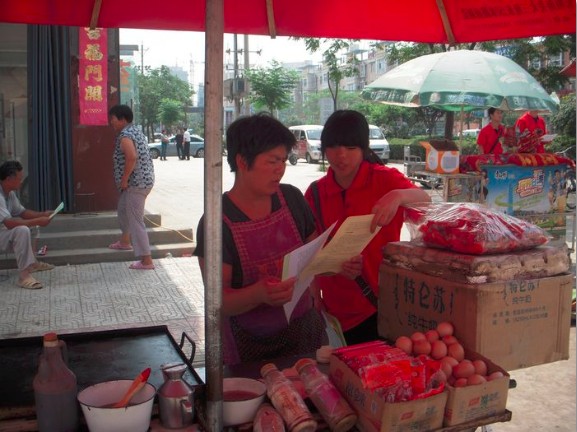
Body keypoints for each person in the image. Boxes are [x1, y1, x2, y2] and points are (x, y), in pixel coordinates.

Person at [194, 113, 333, 365]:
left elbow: (315, 256)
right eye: (272, 161)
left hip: (304, 333)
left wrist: (338, 263)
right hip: (248, 346)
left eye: (282, 160)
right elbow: (218, 301)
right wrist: (258, 294)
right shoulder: (216, 222)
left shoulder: (292, 199)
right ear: (242, 161)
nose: (280, 169)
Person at [304, 110, 431, 346]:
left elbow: (425, 200)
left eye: (351, 148)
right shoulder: (314, 193)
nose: (341, 155)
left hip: (379, 305)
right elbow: (309, 251)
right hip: (334, 311)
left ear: (364, 149)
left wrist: (398, 196)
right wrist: (327, 277)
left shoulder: (384, 179)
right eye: (333, 147)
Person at [108, 104, 155, 270]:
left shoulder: (126, 136)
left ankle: (146, 260)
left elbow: (132, 157)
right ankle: (125, 241)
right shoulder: (135, 131)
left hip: (136, 184)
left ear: (122, 119)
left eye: (112, 119)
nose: (111, 122)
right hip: (140, 183)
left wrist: (124, 179)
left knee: (136, 221)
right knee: (122, 210)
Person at [0, 160, 56, 289]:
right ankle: (24, 276)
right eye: (19, 178)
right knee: (22, 230)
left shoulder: (10, 194)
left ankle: (33, 264)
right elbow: (9, 223)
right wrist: (38, 221)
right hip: (3, 230)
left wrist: (42, 214)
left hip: (3, 230)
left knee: (30, 226)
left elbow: (22, 212)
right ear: (9, 179)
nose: (21, 181)